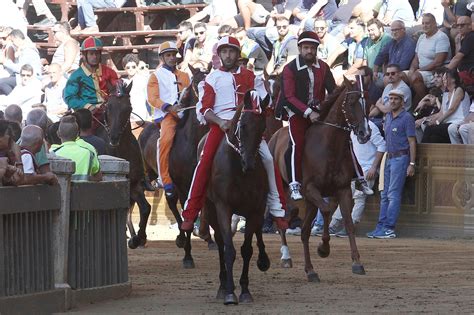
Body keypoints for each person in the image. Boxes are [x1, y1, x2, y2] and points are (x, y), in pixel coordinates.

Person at [180, 36, 288, 232]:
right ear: (219, 55)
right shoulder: (211, 78)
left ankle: (278, 210)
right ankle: (190, 212)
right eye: (224, 52)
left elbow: (265, 102)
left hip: (248, 125)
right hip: (221, 126)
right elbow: (204, 109)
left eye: (231, 51)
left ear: (238, 55)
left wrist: (258, 112)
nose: (227, 55)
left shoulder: (251, 76)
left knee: (269, 160)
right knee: (204, 161)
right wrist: (221, 122)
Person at [275, 31, 373, 200]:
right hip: (297, 112)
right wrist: (308, 112)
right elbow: (289, 97)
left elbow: (332, 91)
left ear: (316, 49)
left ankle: (359, 177)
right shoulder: (289, 69)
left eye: (312, 48)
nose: (309, 51)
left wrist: (328, 107)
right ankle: (294, 183)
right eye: (306, 48)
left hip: (320, 111)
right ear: (299, 48)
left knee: (343, 136)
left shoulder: (323, 67)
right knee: (296, 143)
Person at [367, 89, 416, 239]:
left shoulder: (407, 117)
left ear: (403, 101)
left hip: (400, 158)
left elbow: (412, 142)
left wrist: (412, 163)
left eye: (396, 99)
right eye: (390, 98)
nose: (392, 101)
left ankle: (388, 228)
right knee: (385, 194)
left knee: (392, 194)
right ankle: (382, 226)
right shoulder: (388, 116)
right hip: (389, 157)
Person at [328, 119, 386, 236]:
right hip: (355, 170)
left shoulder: (370, 126)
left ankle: (349, 226)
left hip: (368, 169)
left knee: (359, 197)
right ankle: (334, 225)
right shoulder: (350, 126)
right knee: (346, 196)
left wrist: (374, 167)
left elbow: (382, 145)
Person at [147, 41, 190, 198]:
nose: (172, 58)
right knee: (165, 140)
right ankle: (165, 179)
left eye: (173, 55)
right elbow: (152, 98)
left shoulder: (185, 76)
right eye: (168, 55)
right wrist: (168, 107)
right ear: (162, 57)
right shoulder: (155, 76)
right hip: (167, 116)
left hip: (186, 113)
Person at [64, 37, 119, 113]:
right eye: (91, 54)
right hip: (86, 114)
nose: (95, 57)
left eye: (97, 53)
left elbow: (117, 90)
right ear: (84, 55)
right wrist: (87, 106)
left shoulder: (110, 72)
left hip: (108, 111)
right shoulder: (75, 76)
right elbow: (69, 97)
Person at [408, 13, 451, 106]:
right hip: (422, 71)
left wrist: (419, 70)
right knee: (400, 76)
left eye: (427, 23)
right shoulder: (422, 37)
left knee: (415, 77)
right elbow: (416, 58)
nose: (424, 25)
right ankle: (406, 107)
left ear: (435, 24)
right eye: (423, 23)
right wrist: (411, 70)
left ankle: (430, 103)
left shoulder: (441, 37)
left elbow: (438, 62)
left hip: (435, 72)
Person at [422, 69, 470, 143]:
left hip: (459, 121)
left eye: (446, 78)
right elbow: (442, 112)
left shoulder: (459, 89)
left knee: (429, 129)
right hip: (448, 122)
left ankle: (421, 153)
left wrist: (438, 121)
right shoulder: (446, 93)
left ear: (453, 79)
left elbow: (452, 109)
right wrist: (431, 120)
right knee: (433, 137)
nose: (444, 80)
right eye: (443, 78)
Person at [52, 116, 102, 181]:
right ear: (77, 134)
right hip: (84, 190)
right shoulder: (89, 153)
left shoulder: (52, 153)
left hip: (60, 190)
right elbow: (98, 176)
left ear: (58, 134)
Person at [0, 29, 42, 95]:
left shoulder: (28, 51)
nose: (12, 43)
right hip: (22, 75)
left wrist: (5, 62)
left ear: (17, 39)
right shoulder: (23, 49)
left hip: (30, 77)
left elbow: (21, 69)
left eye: (12, 41)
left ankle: (14, 99)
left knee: (1, 83)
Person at [121, 54, 150, 126]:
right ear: (124, 68)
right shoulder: (122, 82)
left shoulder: (143, 80)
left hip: (141, 116)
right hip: (128, 117)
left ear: (137, 67)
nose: (131, 69)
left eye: (133, 67)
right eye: (128, 67)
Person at [446, 16, 474, 86]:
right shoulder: (464, 37)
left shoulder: (471, 37)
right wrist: (457, 43)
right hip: (463, 71)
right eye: (457, 25)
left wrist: (445, 70)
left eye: (462, 25)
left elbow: (457, 58)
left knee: (444, 78)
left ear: (470, 26)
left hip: (469, 73)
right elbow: (458, 55)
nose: (459, 27)